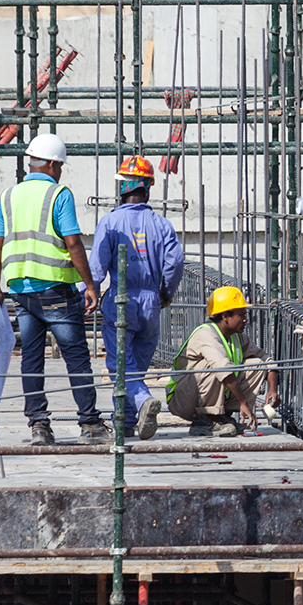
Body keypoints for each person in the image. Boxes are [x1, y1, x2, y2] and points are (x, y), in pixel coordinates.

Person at [0, 133, 103, 446]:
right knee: (76, 357)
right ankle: (90, 425)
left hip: (21, 291)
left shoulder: (8, 195)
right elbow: (73, 242)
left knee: (31, 359)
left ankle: (38, 425)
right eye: (60, 166)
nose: (61, 171)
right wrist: (90, 285)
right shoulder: (58, 194)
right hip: (56, 289)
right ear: (51, 164)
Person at [91, 157, 185, 435]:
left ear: (122, 187)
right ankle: (128, 421)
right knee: (136, 365)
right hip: (151, 301)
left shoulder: (110, 222)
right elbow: (175, 261)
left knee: (120, 364)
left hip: (122, 299)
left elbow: (97, 265)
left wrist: (88, 292)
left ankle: (142, 401)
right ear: (148, 189)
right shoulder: (162, 224)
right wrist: (166, 292)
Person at [163, 286, 280, 439]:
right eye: (241, 315)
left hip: (205, 395)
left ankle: (221, 416)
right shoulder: (205, 334)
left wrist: (273, 389)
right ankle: (205, 419)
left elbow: (266, 362)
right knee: (213, 366)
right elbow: (222, 369)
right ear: (225, 316)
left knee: (256, 364)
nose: (246, 319)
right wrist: (243, 402)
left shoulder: (237, 336)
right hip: (183, 399)